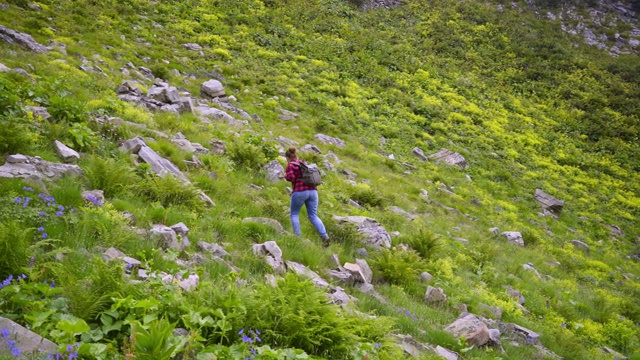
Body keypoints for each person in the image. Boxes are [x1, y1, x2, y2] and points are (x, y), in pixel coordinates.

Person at [284, 147, 330, 246]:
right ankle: (324, 235)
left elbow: (291, 178)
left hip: (300, 192)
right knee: (313, 215)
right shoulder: (303, 163)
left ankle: (297, 237)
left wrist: (285, 175)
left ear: (288, 157)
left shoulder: (291, 165)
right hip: (313, 192)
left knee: (294, 214)